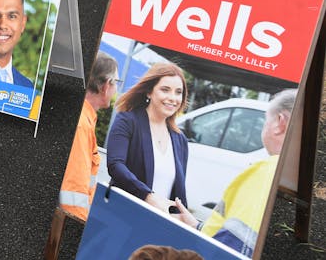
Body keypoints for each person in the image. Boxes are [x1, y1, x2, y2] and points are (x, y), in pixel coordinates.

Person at [174, 89, 296, 257]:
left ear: (279, 123)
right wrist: (197, 226)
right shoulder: (299, 179)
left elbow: (234, 246)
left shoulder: (268, 173)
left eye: (266, 120)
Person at [106, 63, 189, 214]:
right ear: (149, 92)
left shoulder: (180, 139)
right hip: (121, 215)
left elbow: (178, 193)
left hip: (157, 225)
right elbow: (115, 165)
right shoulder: (127, 121)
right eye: (165, 90)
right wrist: (148, 196)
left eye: (178, 92)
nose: (172, 98)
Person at [60, 52, 119, 220]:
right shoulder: (82, 125)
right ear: (107, 86)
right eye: (117, 83)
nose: (116, 89)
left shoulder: (81, 117)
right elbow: (73, 193)